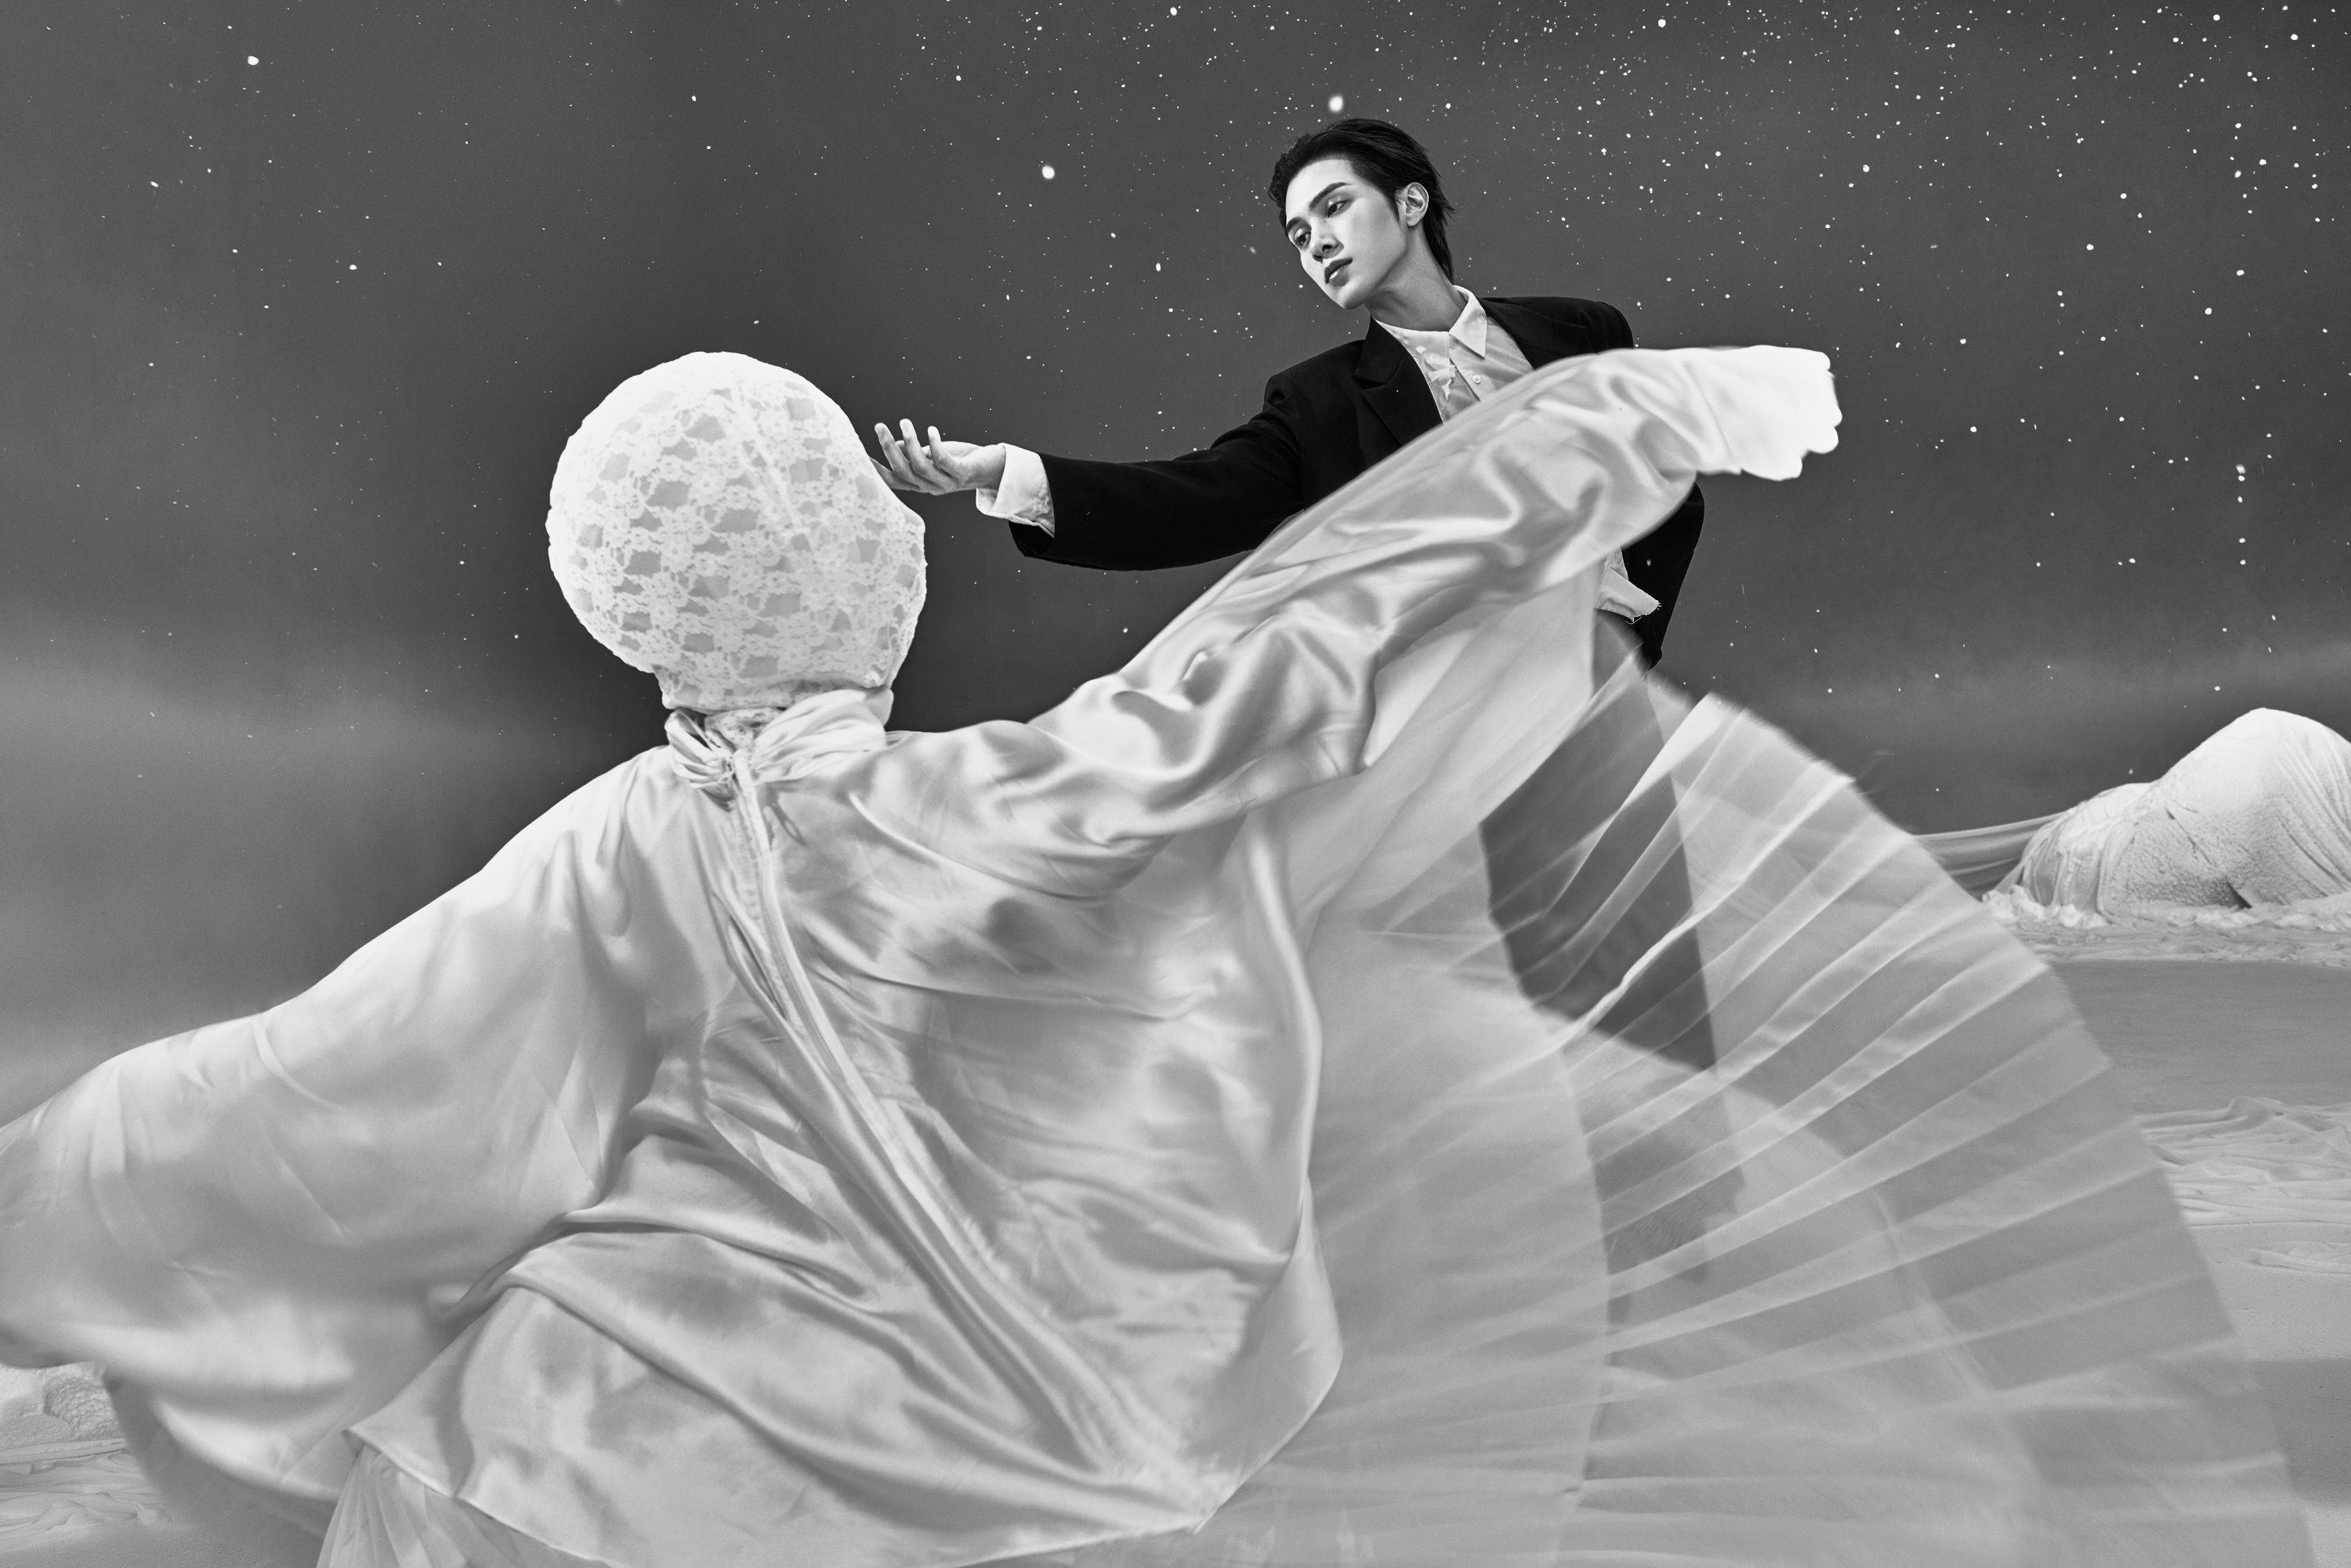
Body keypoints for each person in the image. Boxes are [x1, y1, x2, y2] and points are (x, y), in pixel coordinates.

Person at [0, 349, 2313, 1568]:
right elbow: (1284, 664)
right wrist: (1608, 437)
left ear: (635, 617)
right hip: (1074, 1439)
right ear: (871, 577)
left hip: (609, 1479)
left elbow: (295, 1097)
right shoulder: (1013, 799)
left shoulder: (618, 853)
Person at [871, 118, 1706, 668]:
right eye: (1301, 236)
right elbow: (1193, 499)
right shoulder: (1319, 405)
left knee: (1648, 897)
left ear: (1411, 201)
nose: (1319, 245)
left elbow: (1669, 489)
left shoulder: (1581, 329)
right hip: (1456, 724)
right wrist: (1004, 474)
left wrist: (1632, 641)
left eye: (1336, 208)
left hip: (1606, 701)